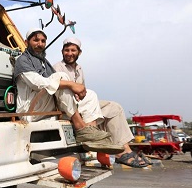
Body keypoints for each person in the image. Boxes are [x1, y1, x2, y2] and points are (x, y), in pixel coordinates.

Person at [13, 28, 124, 154]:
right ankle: (81, 127)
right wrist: (71, 85)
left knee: (91, 95)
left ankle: (91, 134)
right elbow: (38, 83)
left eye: (43, 41)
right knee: (62, 78)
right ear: (26, 42)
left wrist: (74, 92)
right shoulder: (22, 60)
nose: (40, 44)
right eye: (36, 40)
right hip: (30, 110)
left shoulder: (44, 62)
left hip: (45, 104)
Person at [53, 37, 149, 167]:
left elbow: (83, 91)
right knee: (92, 94)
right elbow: (58, 90)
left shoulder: (79, 69)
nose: (70, 53)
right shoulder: (58, 67)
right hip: (67, 107)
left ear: (79, 52)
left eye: (73, 50)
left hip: (81, 104)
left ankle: (123, 149)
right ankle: (91, 134)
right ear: (62, 51)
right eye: (67, 50)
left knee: (115, 107)